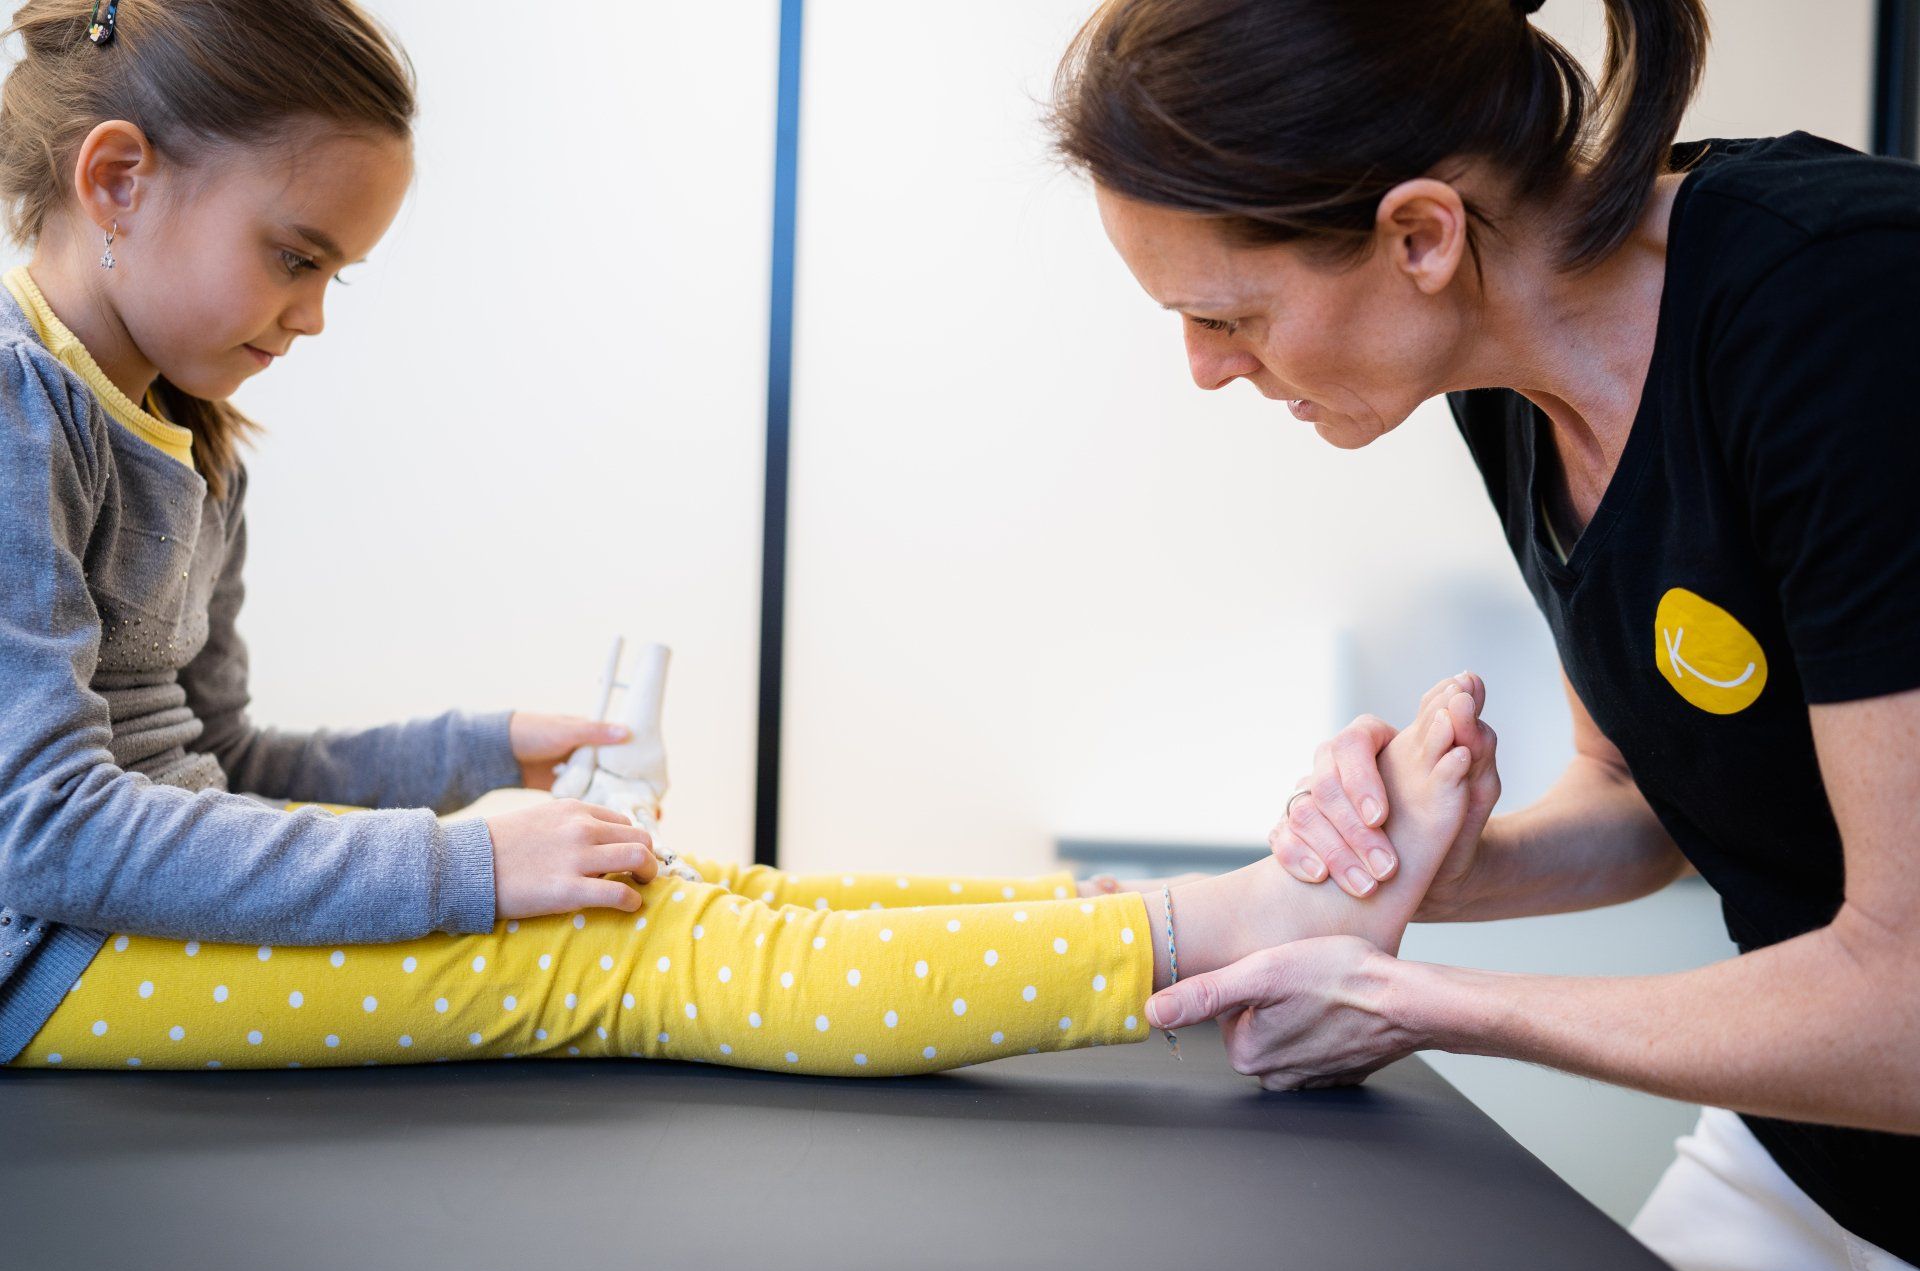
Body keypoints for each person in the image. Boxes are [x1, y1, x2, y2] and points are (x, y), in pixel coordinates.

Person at [0, 0, 1494, 1081]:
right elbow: (47, 828)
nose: (315, 313)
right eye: (298, 256)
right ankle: (1237, 929)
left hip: (123, 919)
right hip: (47, 963)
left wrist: (475, 751)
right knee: (636, 962)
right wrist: (458, 872)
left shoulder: (187, 432)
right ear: (119, 179)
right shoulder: (15, 405)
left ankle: (1188, 919)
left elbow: (218, 765)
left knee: (694, 896)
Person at [1049, 0, 1920, 1271]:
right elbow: (1643, 796)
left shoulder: (1842, 316)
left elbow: (1902, 1001)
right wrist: (1428, 866)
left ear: (1419, 235)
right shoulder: (1505, 385)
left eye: (1228, 315)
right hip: (1815, 1147)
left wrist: (1424, 1006)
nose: (1203, 366)